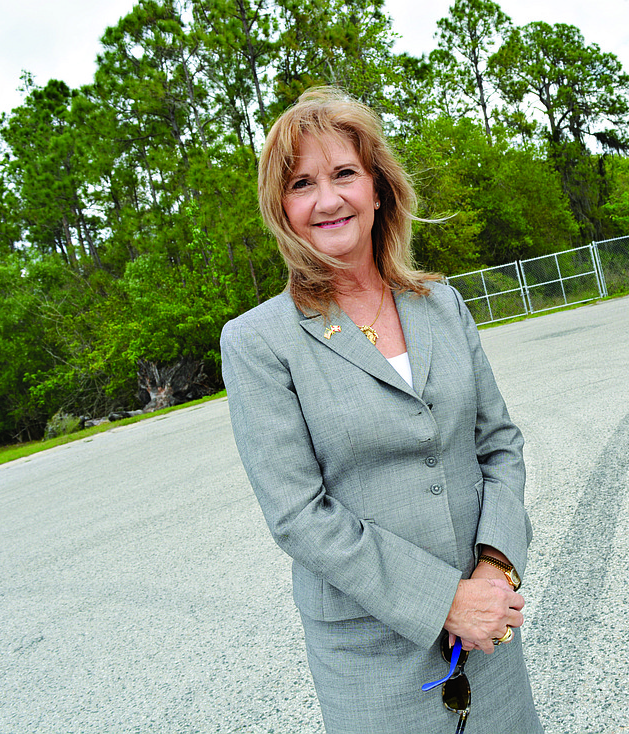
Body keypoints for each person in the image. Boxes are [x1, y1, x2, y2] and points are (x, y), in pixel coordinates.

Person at [220, 86, 542, 734]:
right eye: (302, 183)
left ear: (377, 187)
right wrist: (446, 601)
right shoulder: (258, 343)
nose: (328, 199)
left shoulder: (442, 305)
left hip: (488, 634)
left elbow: (500, 444)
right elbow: (298, 516)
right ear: (281, 207)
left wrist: (494, 569)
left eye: (343, 173)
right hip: (374, 662)